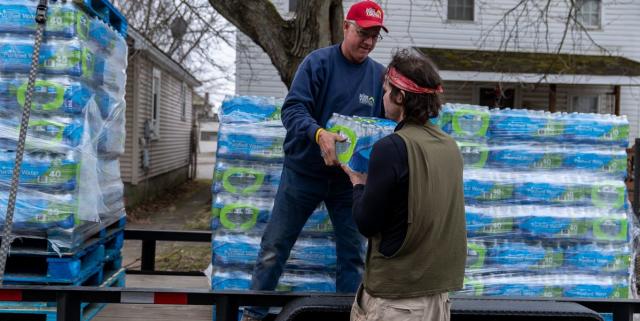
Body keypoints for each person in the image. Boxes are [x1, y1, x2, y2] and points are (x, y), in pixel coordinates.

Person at [241, 2, 389, 320]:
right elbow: (293, 110)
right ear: (347, 27)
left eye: (375, 36)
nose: (368, 41)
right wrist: (319, 133)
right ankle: (253, 313)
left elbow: (384, 127)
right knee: (274, 248)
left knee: (353, 255)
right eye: (363, 32)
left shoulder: (379, 77)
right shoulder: (318, 63)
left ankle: (347, 316)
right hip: (303, 173)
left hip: (348, 182)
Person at [342, 49, 467, 321]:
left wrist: (358, 184)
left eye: (387, 91)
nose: (383, 97)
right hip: (437, 300)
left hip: (397, 303)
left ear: (400, 97)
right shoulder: (449, 146)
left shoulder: (392, 147)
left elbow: (367, 222)